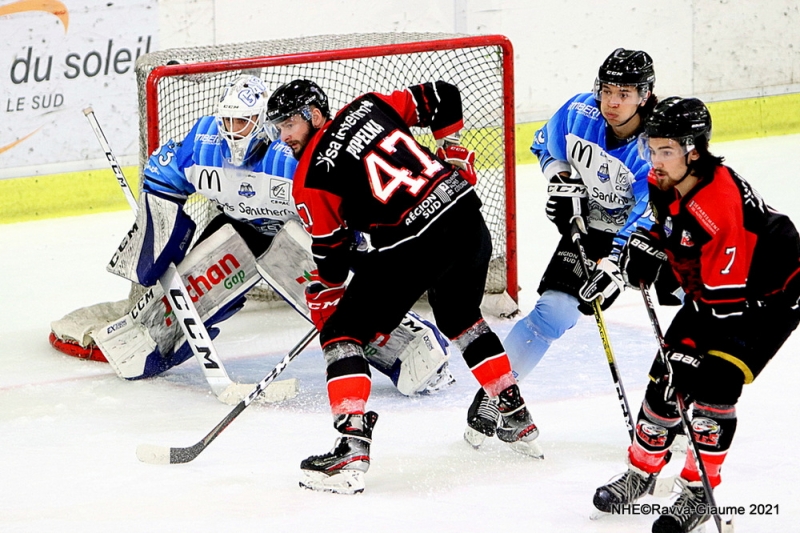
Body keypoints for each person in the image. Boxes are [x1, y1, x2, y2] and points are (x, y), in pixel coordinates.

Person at [91, 74, 453, 397]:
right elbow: (162, 172)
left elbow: (347, 197)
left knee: (323, 288)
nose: (233, 130)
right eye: (228, 120)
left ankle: (406, 346)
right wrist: (158, 229)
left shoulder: (294, 156)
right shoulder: (205, 141)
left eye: (244, 122)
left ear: (264, 123)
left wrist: (358, 244)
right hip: (240, 227)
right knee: (206, 268)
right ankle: (151, 334)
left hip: (299, 232)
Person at [266, 78, 541, 494]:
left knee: (342, 332)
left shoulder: (308, 178)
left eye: (290, 124)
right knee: (461, 317)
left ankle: (350, 447)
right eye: (278, 128)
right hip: (466, 220)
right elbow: (446, 93)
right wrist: (449, 148)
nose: (284, 136)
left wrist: (326, 291)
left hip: (416, 244)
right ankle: (514, 413)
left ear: (315, 114)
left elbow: (332, 255)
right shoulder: (370, 104)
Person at [592, 97, 800, 533]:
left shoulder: (720, 205)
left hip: (767, 302)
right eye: (652, 148)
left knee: (711, 395)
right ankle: (642, 473)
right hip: (716, 292)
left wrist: (666, 266)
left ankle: (696, 494)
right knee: (665, 384)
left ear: (695, 150)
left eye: (666, 151)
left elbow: (722, 307)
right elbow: (669, 227)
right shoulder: (665, 179)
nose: (655, 161)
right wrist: (648, 247)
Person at [464, 48, 658, 447]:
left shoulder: (657, 142)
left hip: (654, 236)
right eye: (606, 90)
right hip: (593, 226)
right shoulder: (579, 112)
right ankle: (496, 393)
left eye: (624, 92)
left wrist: (617, 263)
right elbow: (544, 145)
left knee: (693, 324)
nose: (612, 101)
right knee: (553, 311)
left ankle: (678, 421)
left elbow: (652, 210)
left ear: (645, 94)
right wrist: (562, 179)